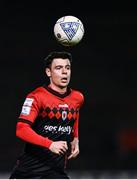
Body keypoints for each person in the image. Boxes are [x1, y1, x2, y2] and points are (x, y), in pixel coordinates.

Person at [10, 51, 84, 179]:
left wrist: (75, 138)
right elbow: (21, 129)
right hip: (29, 172)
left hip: (56, 172)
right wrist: (50, 144)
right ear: (48, 72)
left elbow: (74, 114)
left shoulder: (77, 98)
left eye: (67, 68)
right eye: (58, 68)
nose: (65, 72)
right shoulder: (36, 97)